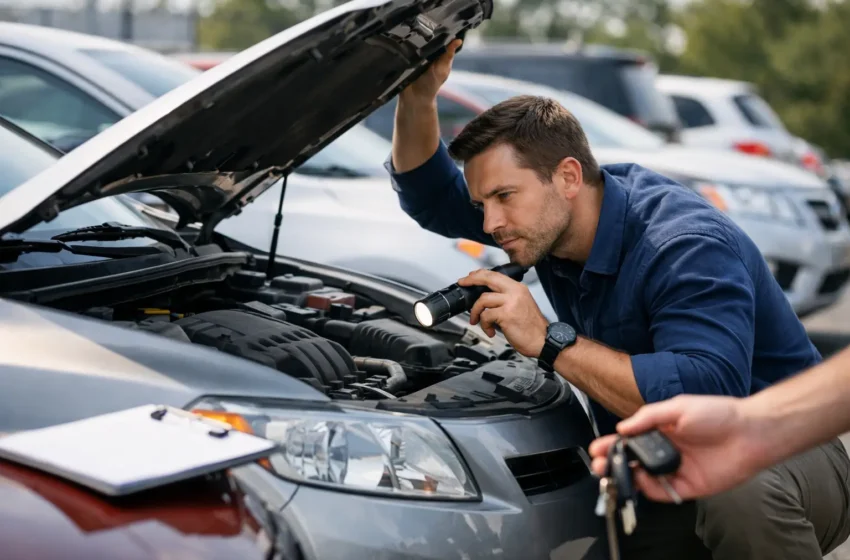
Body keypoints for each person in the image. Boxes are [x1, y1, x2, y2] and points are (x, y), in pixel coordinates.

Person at [386, 39, 850, 559]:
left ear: (567, 176)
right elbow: (429, 194)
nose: (490, 224)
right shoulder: (548, 216)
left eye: (503, 198)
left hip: (787, 450)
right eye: (482, 204)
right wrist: (419, 97)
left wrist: (549, 339)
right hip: (664, 459)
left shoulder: (682, 245)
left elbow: (705, 392)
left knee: (736, 494)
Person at [589, 345, 850, 503]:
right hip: (677, 464)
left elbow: (702, 386)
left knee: (743, 500)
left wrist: (556, 344)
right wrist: (747, 425)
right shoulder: (557, 275)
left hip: (808, 452)